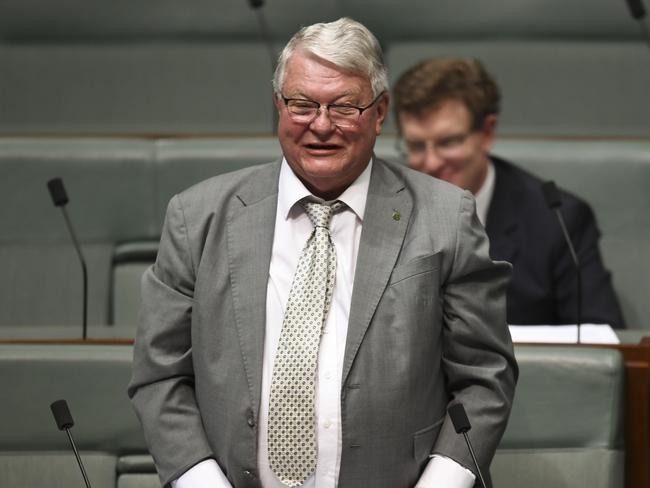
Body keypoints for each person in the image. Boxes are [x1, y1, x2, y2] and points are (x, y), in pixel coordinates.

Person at [129, 19, 517, 488]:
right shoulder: (197, 217)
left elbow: (484, 377)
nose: (321, 125)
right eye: (302, 104)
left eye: (345, 106)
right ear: (279, 105)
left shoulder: (446, 216)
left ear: (379, 112)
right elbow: (159, 374)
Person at [393, 58, 625, 329]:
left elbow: (599, 340)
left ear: (487, 133)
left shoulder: (557, 221)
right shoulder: (385, 210)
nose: (430, 162)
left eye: (448, 142)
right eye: (416, 146)